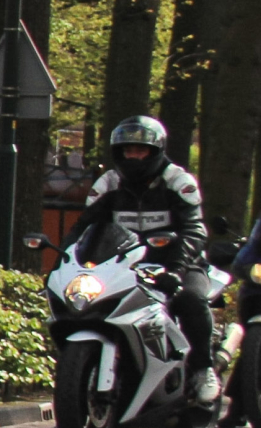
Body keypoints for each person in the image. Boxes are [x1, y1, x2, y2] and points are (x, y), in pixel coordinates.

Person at [73, 115, 217, 403]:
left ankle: (203, 368)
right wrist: (66, 264)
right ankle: (74, 395)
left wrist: (176, 269)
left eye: (140, 150)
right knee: (85, 308)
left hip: (177, 264)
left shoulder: (178, 180)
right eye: (128, 151)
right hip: (123, 266)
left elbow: (194, 229)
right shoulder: (109, 183)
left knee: (191, 299)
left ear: (155, 151)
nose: (134, 157)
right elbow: (85, 228)